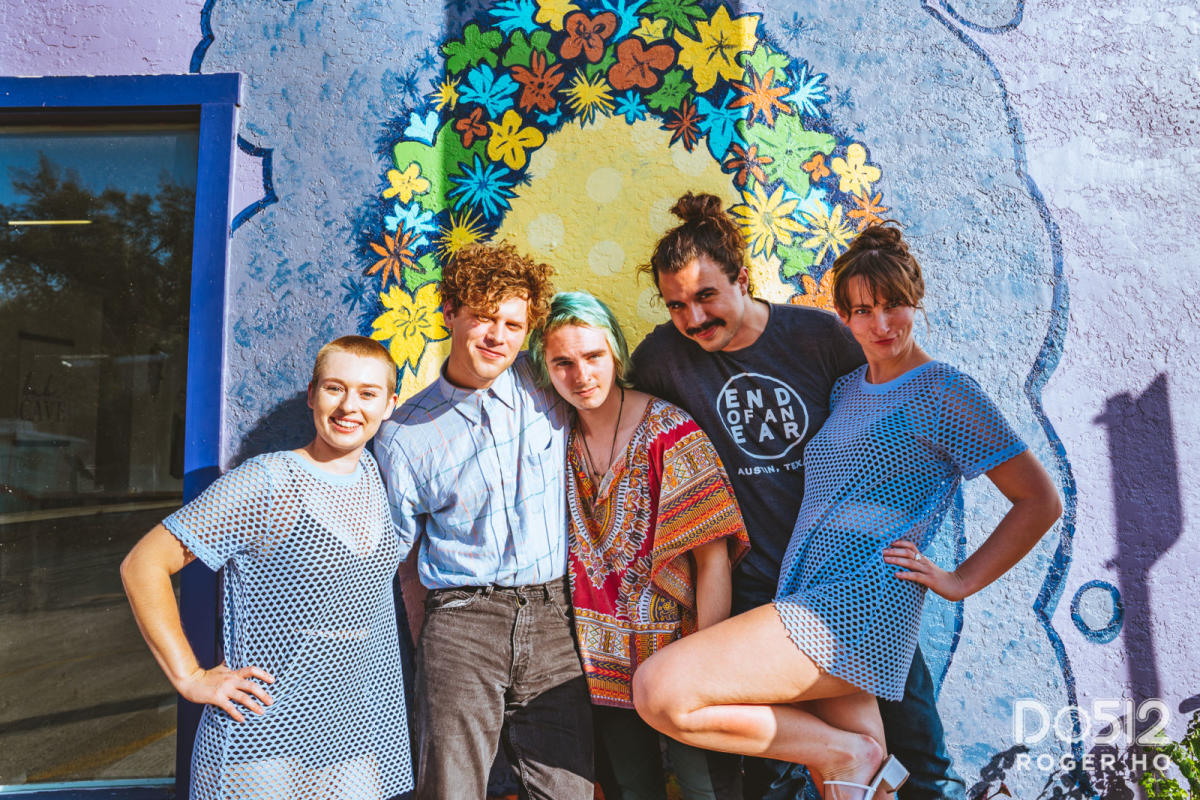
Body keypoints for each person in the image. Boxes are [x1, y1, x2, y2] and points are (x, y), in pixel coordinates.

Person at [631, 222, 1063, 799]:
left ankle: (849, 755)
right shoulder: (849, 386)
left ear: (916, 302)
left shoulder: (944, 391)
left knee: (661, 690)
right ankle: (853, 760)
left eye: (893, 306)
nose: (879, 325)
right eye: (862, 311)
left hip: (855, 603)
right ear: (845, 318)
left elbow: (1039, 500)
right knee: (858, 788)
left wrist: (959, 582)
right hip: (803, 592)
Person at [120, 335, 413, 800]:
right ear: (312, 394)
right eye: (335, 388)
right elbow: (143, 564)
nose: (349, 406)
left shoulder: (381, 479)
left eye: (367, 393)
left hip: (352, 733)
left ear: (389, 404)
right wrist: (190, 677)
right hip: (263, 734)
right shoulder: (269, 481)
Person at [374, 242, 593, 800]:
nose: (498, 336)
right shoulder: (402, 435)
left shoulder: (548, 387)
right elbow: (398, 556)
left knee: (567, 788)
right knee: (452, 788)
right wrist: (431, 641)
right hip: (462, 621)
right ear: (450, 312)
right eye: (483, 317)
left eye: (513, 324)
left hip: (555, 618)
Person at [528, 291, 751, 800]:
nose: (581, 375)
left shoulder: (670, 433)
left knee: (705, 789)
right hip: (600, 664)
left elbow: (713, 560)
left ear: (615, 351)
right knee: (632, 790)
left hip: (680, 657)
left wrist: (706, 665)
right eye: (563, 363)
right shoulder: (554, 440)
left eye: (593, 356)